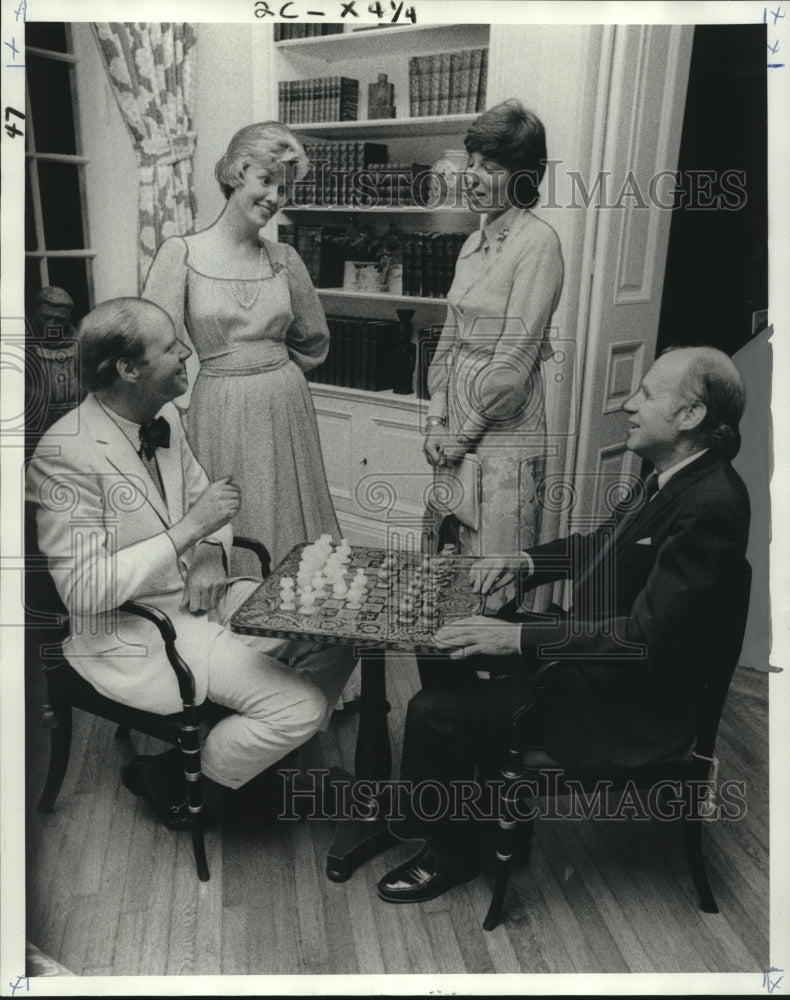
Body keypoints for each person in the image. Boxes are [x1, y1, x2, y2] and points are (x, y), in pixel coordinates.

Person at [376, 345, 751, 904]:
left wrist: (517, 637)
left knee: (430, 712)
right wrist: (526, 563)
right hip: (593, 661)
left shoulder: (711, 503)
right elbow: (603, 545)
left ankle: (452, 850)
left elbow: (643, 640)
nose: (628, 403)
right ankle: (481, 799)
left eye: (646, 393)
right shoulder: (670, 475)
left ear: (691, 416)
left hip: (626, 707)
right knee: (443, 635)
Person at [26, 297, 355, 829]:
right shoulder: (64, 455)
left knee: (341, 632)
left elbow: (213, 506)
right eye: (169, 347)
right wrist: (188, 532)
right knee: (304, 709)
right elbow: (83, 593)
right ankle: (180, 783)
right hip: (138, 634)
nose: (186, 353)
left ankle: (238, 758)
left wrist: (206, 552)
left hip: (204, 599)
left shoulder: (166, 419)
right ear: (128, 370)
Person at [142, 121, 339, 573]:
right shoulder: (182, 254)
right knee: (234, 518)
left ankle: (293, 629)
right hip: (219, 407)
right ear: (235, 172)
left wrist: (271, 371)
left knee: (294, 519)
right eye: (265, 180)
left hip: (285, 403)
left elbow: (314, 340)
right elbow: (155, 352)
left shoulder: (285, 259)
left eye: (283, 189)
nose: (273, 198)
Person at [423, 99, 564, 564]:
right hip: (457, 421)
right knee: (450, 548)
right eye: (472, 163)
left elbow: (512, 366)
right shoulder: (471, 242)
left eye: (492, 167)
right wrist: (436, 421)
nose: (473, 176)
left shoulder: (538, 243)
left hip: (503, 425)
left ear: (523, 178)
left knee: (493, 557)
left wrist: (460, 438)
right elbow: (448, 341)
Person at [26, 285, 84, 434]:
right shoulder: (21, 347)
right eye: (46, 317)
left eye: (59, 320)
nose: (52, 324)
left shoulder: (83, 346)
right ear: (36, 313)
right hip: (34, 429)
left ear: (68, 319)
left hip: (77, 426)